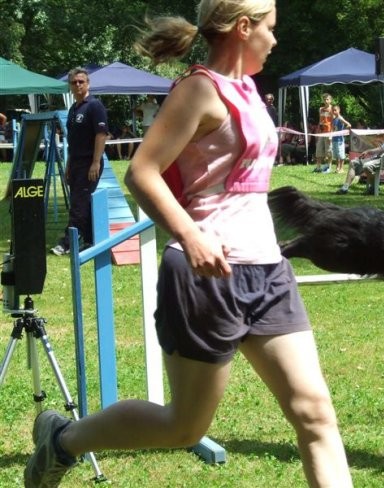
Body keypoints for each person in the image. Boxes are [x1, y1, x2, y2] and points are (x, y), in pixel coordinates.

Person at [24, 2, 353, 488]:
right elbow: (142, 170)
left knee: (316, 414)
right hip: (205, 275)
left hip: (268, 271)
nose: (275, 40)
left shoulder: (248, 88)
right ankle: (64, 440)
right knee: (184, 426)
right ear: (244, 28)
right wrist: (190, 233)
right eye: (271, 29)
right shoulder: (200, 89)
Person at [50, 68, 109, 256]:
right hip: (74, 163)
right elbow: (73, 141)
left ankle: (67, 243)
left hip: (89, 163)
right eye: (74, 82)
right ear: (70, 86)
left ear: (88, 84)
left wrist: (96, 162)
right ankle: (91, 241)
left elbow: (101, 135)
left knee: (78, 204)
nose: (78, 85)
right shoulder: (73, 109)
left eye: (81, 81)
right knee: (84, 203)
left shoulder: (95, 106)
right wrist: (68, 165)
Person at [336, 110, 384, 195]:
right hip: (379, 158)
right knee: (353, 163)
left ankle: (374, 188)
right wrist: (368, 151)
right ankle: (345, 188)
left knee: (367, 166)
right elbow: (381, 147)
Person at [313, 93, 333, 173]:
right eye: (324, 99)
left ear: (330, 100)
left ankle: (328, 167)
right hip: (321, 132)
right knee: (319, 150)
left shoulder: (332, 109)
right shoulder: (321, 109)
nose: (326, 101)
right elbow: (319, 121)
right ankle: (318, 167)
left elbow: (333, 123)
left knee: (328, 151)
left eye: (327, 99)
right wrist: (317, 132)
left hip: (329, 132)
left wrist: (331, 134)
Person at [331, 105, 351, 173]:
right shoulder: (333, 119)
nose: (334, 111)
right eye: (333, 110)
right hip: (334, 139)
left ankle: (341, 168)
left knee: (341, 154)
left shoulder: (340, 118)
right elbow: (333, 129)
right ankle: (337, 167)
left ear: (339, 110)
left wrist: (344, 131)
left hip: (340, 140)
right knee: (336, 155)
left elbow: (349, 124)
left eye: (335, 110)